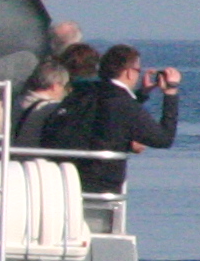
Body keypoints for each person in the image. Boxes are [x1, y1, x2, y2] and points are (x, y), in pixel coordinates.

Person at [43, 44, 181, 193]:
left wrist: (142, 93)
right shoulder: (123, 103)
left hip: (65, 180)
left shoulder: (83, 92)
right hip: (101, 185)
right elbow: (164, 139)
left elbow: (105, 122)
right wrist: (170, 93)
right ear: (129, 73)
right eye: (138, 71)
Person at [10, 56, 74, 150]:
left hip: (14, 154)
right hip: (38, 157)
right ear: (55, 86)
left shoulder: (17, 101)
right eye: (64, 86)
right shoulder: (52, 108)